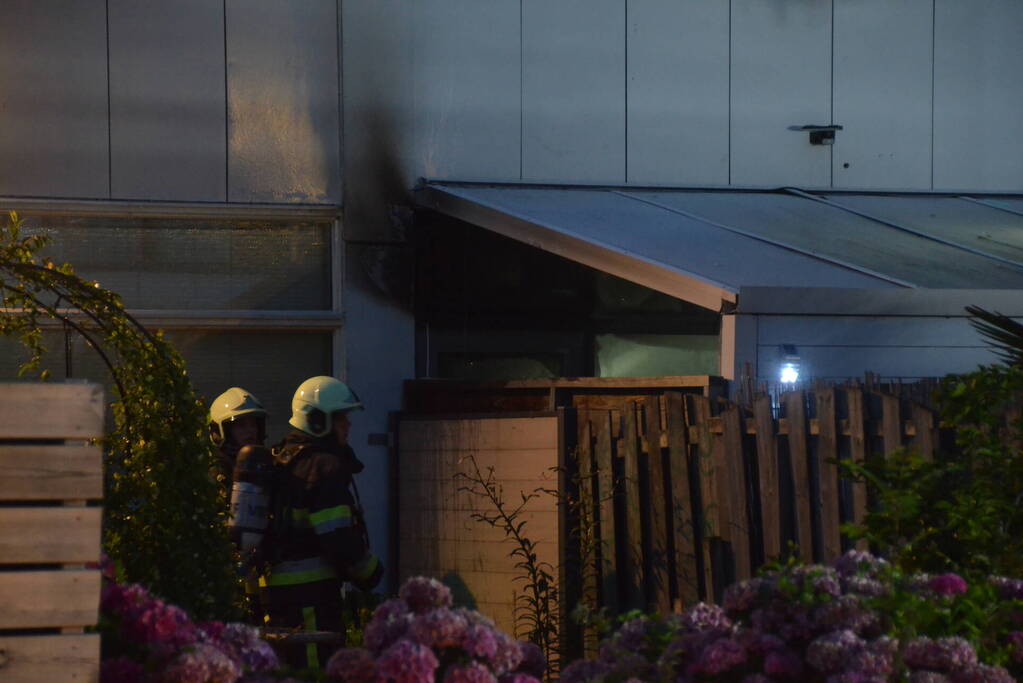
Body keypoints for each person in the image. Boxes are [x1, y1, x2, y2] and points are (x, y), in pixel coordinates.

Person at [265, 376, 383, 669]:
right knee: (316, 668)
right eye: (341, 418)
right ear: (318, 421)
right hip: (312, 597)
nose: (348, 425)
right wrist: (370, 572)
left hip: (278, 595)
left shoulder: (284, 456)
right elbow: (339, 538)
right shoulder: (324, 466)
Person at [208, 387, 268, 488]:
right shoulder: (215, 472)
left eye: (253, 424)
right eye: (241, 425)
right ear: (218, 432)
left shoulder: (265, 464)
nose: (250, 430)